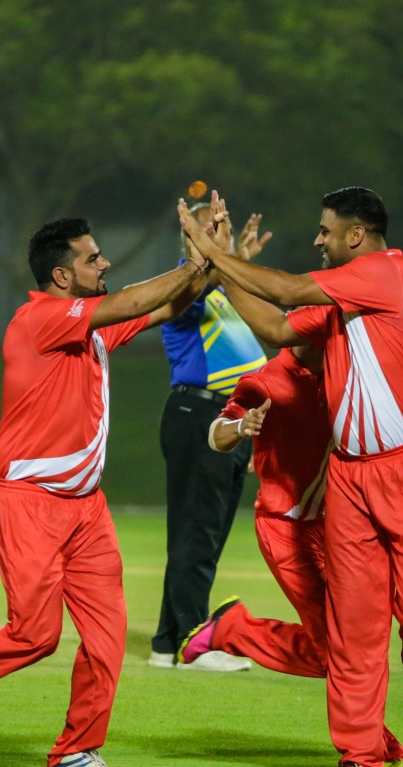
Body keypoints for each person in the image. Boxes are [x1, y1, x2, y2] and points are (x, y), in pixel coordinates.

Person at [179, 187, 403, 767]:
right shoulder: (339, 307)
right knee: (353, 628)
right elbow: (277, 324)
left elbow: (284, 290)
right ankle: (359, 758)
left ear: (355, 235)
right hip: (351, 479)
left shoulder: (387, 274)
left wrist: (213, 253)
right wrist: (223, 271)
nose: (317, 240)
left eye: (325, 231)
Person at [0, 214, 209, 767]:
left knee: (107, 636)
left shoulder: (87, 327)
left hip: (86, 508)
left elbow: (167, 306)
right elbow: (129, 302)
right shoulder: (42, 318)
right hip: (29, 500)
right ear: (61, 275)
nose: (104, 264)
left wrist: (215, 260)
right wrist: (192, 264)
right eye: (92, 258)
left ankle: (76, 751)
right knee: (35, 634)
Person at [150, 204, 273, 672]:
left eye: (221, 228)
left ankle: (168, 642)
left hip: (227, 419)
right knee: (197, 533)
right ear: (189, 236)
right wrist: (225, 259)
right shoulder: (186, 282)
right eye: (209, 229)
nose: (217, 236)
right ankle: (192, 640)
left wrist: (238, 260)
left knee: (202, 534)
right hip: (197, 412)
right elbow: (207, 283)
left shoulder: (223, 287)